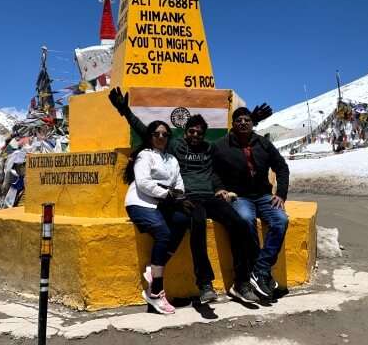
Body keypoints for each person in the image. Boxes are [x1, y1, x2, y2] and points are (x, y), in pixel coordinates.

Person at [109, 88, 272, 304]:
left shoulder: (210, 148)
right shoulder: (175, 145)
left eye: (199, 133)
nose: (195, 136)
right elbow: (146, 131)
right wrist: (125, 111)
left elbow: (233, 135)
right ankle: (204, 284)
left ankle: (241, 283)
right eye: (191, 132)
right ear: (185, 132)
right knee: (197, 225)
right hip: (189, 198)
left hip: (211, 197)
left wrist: (254, 119)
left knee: (240, 224)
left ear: (204, 135)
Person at [213, 107, 290, 299]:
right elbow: (212, 170)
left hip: (264, 196)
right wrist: (219, 188)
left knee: (281, 220)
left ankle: (260, 269)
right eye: (238, 119)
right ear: (233, 123)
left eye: (247, 119)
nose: (243, 122)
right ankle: (261, 273)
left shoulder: (263, 143)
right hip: (239, 196)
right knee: (246, 220)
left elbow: (281, 167)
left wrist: (280, 194)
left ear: (252, 122)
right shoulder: (221, 145)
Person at [124, 120, 189, 314]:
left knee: (183, 221)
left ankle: (154, 271)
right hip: (140, 203)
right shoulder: (145, 156)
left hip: (163, 204)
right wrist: (167, 194)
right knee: (162, 232)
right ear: (150, 136)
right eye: (156, 134)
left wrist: (176, 195)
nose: (161, 137)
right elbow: (143, 183)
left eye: (165, 134)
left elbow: (179, 185)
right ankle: (156, 292)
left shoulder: (172, 159)